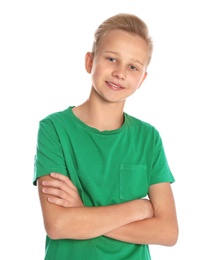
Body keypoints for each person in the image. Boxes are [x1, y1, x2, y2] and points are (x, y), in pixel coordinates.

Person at [33, 13, 178, 260]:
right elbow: (58, 225)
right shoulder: (54, 128)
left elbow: (167, 232)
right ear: (90, 62)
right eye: (112, 59)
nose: (120, 73)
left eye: (133, 66)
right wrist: (139, 209)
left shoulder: (148, 138)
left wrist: (82, 214)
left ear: (142, 79)